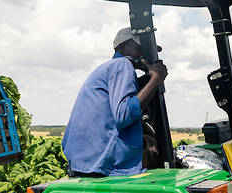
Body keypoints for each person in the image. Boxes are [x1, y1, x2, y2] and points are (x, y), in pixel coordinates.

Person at [62, 27, 167, 177]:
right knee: (155, 151)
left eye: (147, 50)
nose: (143, 53)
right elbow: (124, 115)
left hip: (85, 159)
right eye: (139, 48)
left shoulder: (109, 68)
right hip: (102, 159)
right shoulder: (122, 65)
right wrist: (156, 79)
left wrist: (150, 81)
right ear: (122, 47)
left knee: (149, 141)